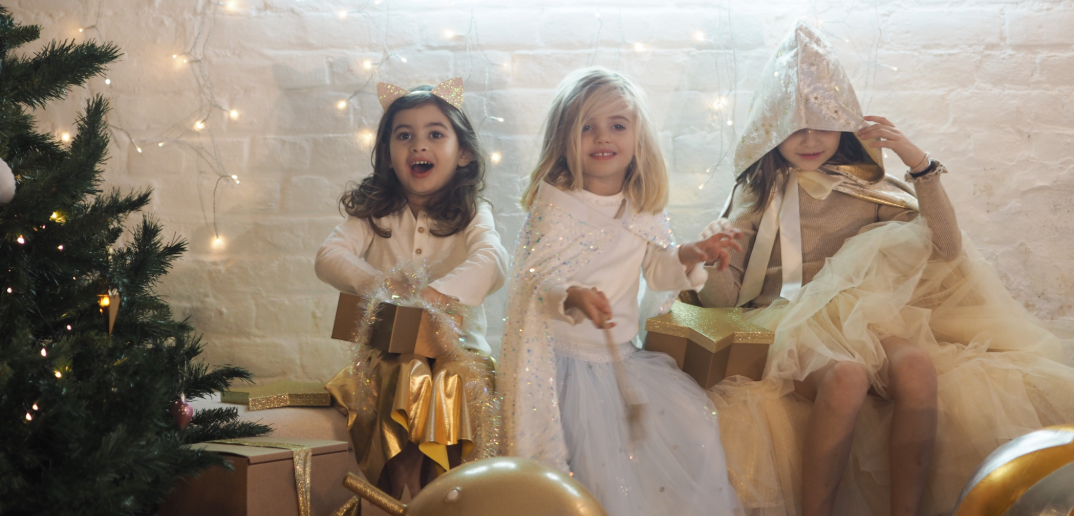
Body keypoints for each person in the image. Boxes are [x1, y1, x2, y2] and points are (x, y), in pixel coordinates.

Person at [700, 22, 1074, 516]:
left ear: (844, 125)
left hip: (865, 322)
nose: (810, 139)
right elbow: (724, 302)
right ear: (771, 128)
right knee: (847, 376)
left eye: (823, 123)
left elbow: (946, 248)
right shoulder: (756, 197)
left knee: (916, 366)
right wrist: (712, 260)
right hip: (787, 323)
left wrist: (920, 166)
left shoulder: (865, 186)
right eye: (794, 126)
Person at [498, 67, 744, 516]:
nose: (602, 137)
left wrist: (693, 254)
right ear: (565, 139)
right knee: (592, 475)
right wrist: (571, 295)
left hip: (620, 362)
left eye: (617, 125)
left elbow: (659, 270)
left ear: (637, 137)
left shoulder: (642, 208)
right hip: (563, 368)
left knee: (693, 428)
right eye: (586, 127)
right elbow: (534, 281)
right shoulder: (555, 205)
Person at [314, 78, 509, 498]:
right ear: (387, 155)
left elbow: (493, 260)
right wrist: (379, 283)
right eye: (404, 136)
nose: (419, 145)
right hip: (389, 355)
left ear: (464, 153)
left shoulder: (473, 213)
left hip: (461, 354)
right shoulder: (374, 213)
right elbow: (328, 255)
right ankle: (406, 493)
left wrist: (435, 295)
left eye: (435, 134)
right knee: (409, 370)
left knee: (449, 380)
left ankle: (440, 494)